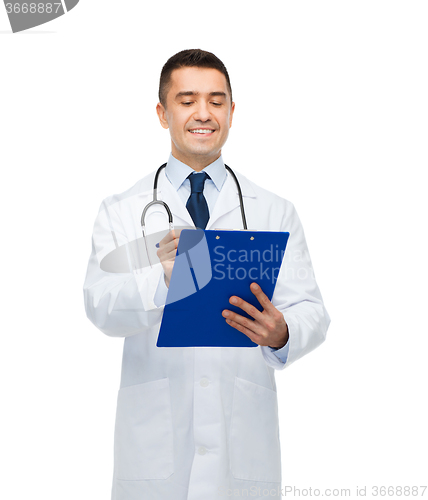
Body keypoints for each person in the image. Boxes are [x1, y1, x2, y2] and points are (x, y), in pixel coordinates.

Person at [83, 49, 330, 500]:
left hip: (243, 449)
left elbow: (312, 311)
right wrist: (163, 281)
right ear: (163, 113)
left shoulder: (274, 211)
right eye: (187, 99)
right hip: (155, 452)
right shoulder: (121, 210)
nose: (203, 113)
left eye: (217, 101)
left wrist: (283, 333)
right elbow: (100, 305)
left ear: (232, 113)